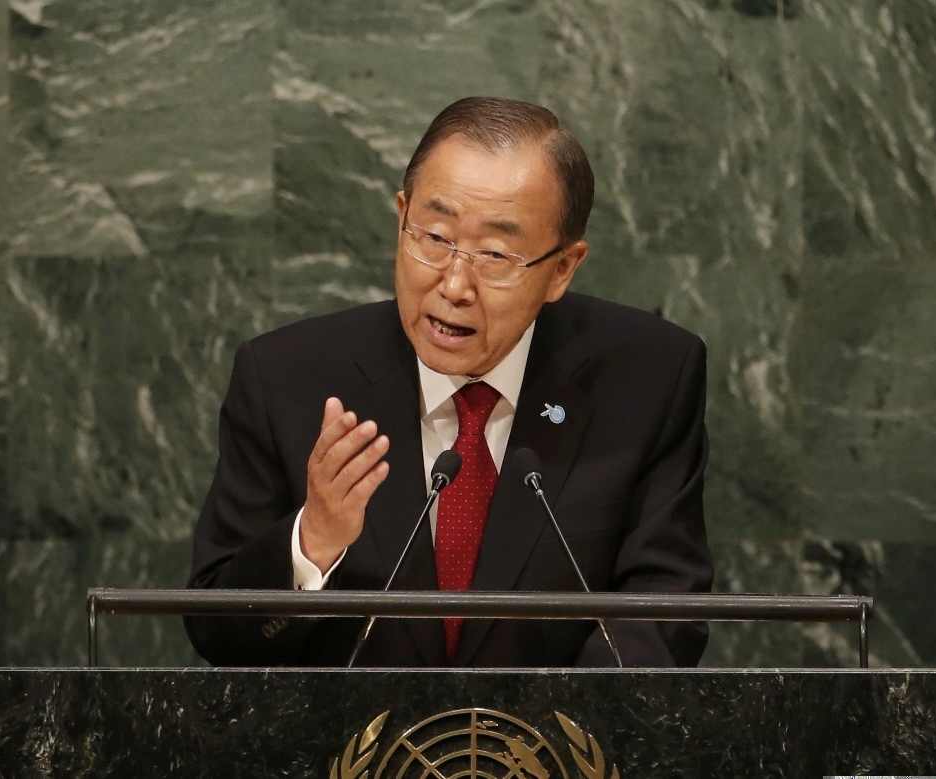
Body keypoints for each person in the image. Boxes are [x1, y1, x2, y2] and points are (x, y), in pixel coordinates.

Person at [185, 96, 712, 667]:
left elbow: (663, 615)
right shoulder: (287, 378)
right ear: (402, 216)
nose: (455, 284)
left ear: (563, 267)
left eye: (495, 253)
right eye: (434, 238)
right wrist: (312, 541)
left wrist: (539, 745)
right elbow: (217, 633)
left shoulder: (648, 379)